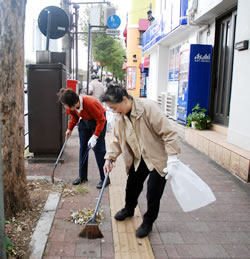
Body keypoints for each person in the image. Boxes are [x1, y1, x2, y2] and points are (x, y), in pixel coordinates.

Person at [101, 85, 180, 238]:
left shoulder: (148, 108)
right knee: (132, 185)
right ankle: (129, 209)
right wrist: (110, 157)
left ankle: (148, 221)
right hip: (139, 157)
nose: (114, 111)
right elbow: (117, 139)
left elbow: (169, 133)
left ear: (125, 100)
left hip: (157, 157)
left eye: (114, 107)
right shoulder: (120, 116)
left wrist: (172, 157)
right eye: (110, 109)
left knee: (153, 192)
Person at [57, 88, 110, 189]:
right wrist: (69, 129)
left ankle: (105, 178)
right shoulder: (72, 107)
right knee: (83, 149)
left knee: (99, 150)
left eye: (65, 104)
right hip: (85, 121)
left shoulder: (90, 103)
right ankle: (82, 176)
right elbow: (74, 117)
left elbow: (101, 121)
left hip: (98, 122)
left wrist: (95, 136)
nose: (64, 107)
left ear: (73, 103)